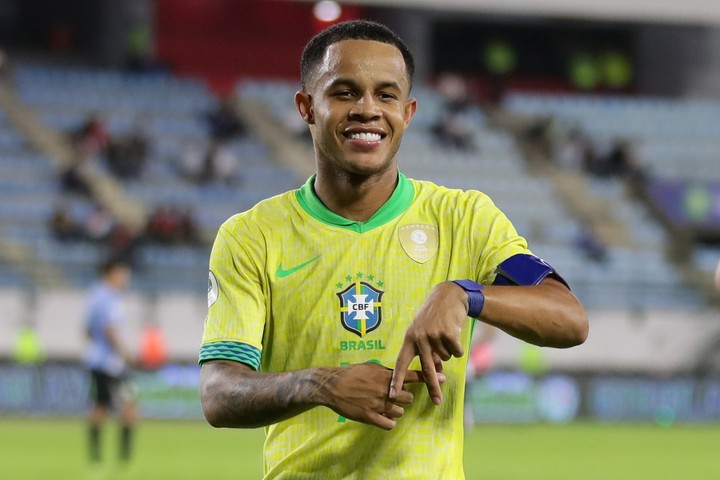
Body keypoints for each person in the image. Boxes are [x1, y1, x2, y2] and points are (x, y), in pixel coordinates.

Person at [199, 20, 588, 479]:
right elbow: (218, 393)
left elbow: (569, 319)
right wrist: (321, 384)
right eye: (344, 92)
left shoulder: (464, 217)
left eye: (386, 95)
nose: (368, 110)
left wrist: (465, 294)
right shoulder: (253, 235)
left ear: (409, 112)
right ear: (306, 107)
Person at [84, 258, 138, 470]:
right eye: (122, 272)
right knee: (126, 408)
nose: (125, 277)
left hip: (99, 361)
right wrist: (124, 352)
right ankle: (122, 459)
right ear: (111, 272)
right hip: (111, 364)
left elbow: (87, 329)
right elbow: (110, 328)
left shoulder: (95, 295)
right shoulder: (109, 298)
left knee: (101, 406)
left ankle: (97, 458)